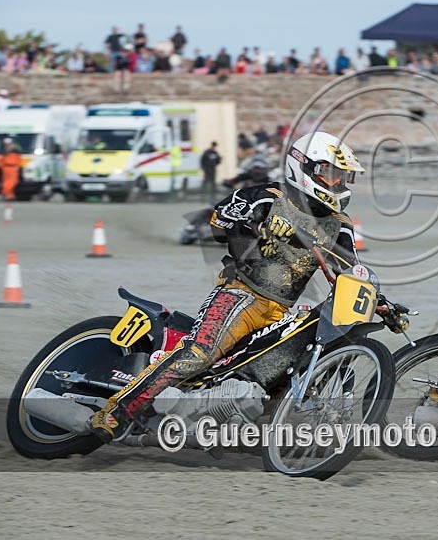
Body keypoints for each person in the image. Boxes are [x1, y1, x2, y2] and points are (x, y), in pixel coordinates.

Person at [90, 131, 366, 442]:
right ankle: (116, 412)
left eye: (343, 176)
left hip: (281, 311)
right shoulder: (268, 197)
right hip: (240, 294)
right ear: (303, 167)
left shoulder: (340, 224)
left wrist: (377, 300)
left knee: (283, 376)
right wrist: (257, 226)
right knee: (200, 353)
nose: (338, 183)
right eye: (330, 173)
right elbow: (218, 224)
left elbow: (349, 270)